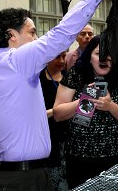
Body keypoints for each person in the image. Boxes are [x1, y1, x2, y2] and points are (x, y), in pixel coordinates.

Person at [0, 0, 118, 190]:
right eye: (32, 32)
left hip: (6, 175)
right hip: (21, 180)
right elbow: (60, 35)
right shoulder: (16, 62)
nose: (36, 39)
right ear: (11, 36)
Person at [53, 36, 118, 189]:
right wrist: (84, 100)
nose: (104, 59)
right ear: (89, 57)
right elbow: (58, 114)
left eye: (109, 54)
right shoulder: (76, 75)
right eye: (98, 54)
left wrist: (110, 106)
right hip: (79, 158)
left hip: (115, 157)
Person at [40, 51, 68, 190]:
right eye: (57, 56)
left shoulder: (69, 78)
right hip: (47, 136)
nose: (62, 61)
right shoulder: (38, 80)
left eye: (64, 56)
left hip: (67, 137)